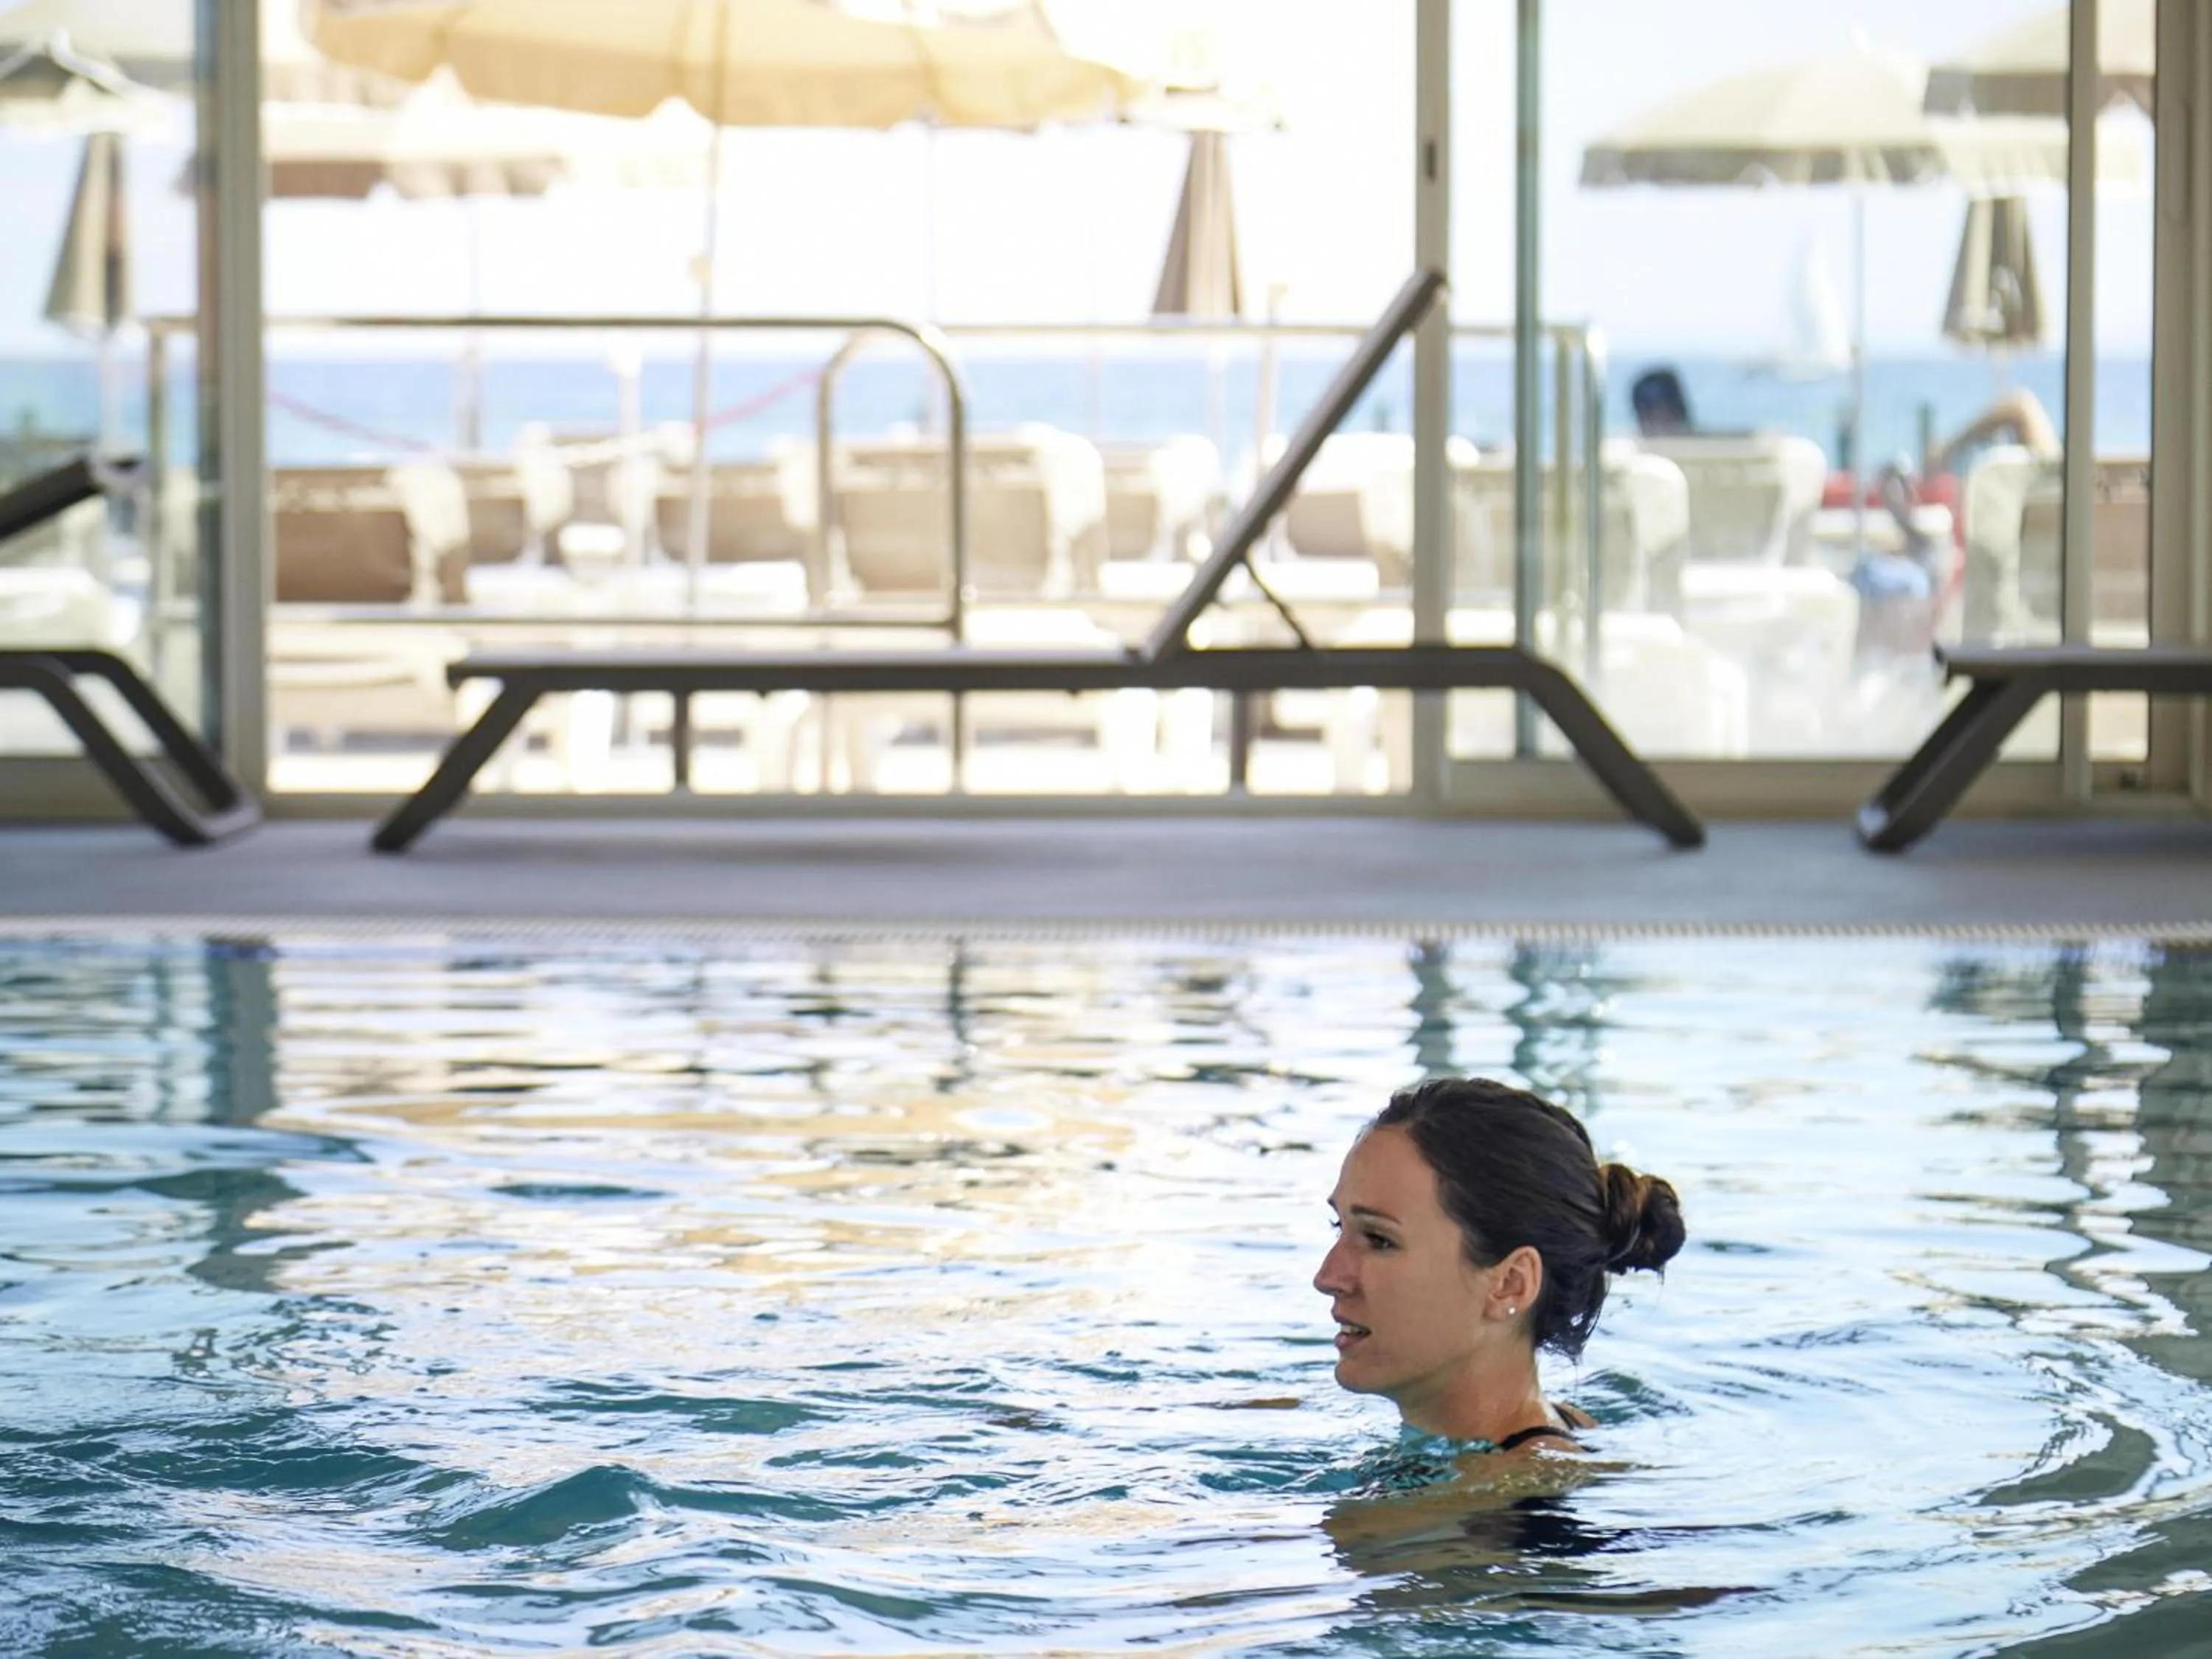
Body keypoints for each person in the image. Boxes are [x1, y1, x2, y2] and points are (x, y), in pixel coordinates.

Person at [1314, 1076, 1683, 1455]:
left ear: (1510, 1284)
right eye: (1340, 1225)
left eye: (1379, 1239)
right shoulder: (1549, 1436)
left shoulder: (1507, 1484)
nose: (1327, 1278)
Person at [1630, 367, 1694, 437]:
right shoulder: (1629, 442)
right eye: (1641, 409)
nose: (1648, 417)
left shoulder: (1699, 442)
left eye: (1655, 407)